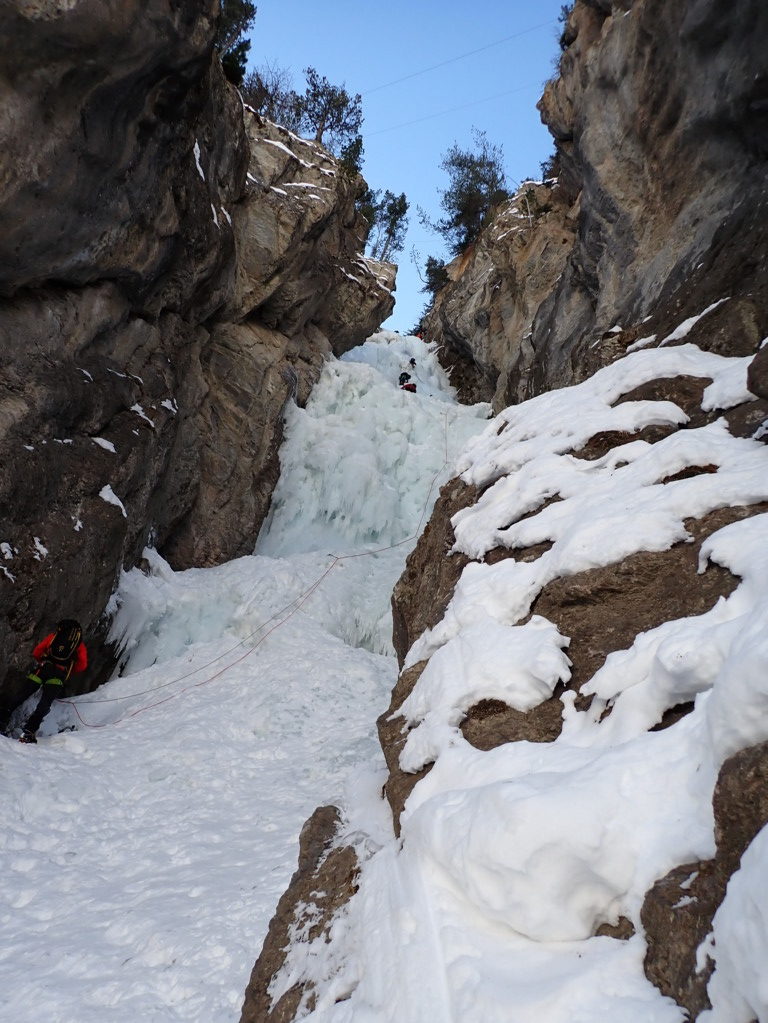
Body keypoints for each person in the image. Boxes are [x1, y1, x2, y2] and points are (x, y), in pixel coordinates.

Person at [7, 619, 87, 743]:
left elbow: (37, 651)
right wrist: (68, 670)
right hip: (58, 675)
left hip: (43, 669)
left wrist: (42, 661)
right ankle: (28, 732)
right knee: (44, 704)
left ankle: (2, 718)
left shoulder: (54, 636)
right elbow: (82, 665)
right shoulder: (78, 644)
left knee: (22, 695)